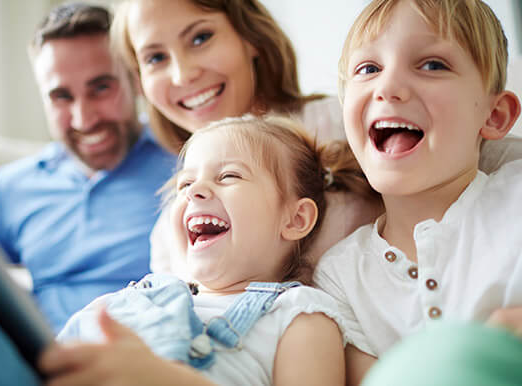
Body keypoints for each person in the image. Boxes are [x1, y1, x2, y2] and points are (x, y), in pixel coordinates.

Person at [33, 114, 364, 385]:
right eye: (185, 184)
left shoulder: (299, 315)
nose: (195, 191)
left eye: (229, 176)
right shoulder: (130, 300)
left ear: (295, 219)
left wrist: (165, 378)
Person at [313, 0, 522, 385]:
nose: (387, 87)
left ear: (494, 116)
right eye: (369, 69)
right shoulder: (340, 276)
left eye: (432, 65)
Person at [110, 0, 386, 278]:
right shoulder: (176, 232)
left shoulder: (347, 122)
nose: (183, 75)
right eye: (155, 58)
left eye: (201, 38)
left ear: (250, 35)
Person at [0, 3, 176, 333]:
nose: (83, 119)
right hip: (48, 362)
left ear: (135, 81)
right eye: (61, 96)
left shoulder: (188, 163)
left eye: (101, 88)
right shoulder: (12, 188)